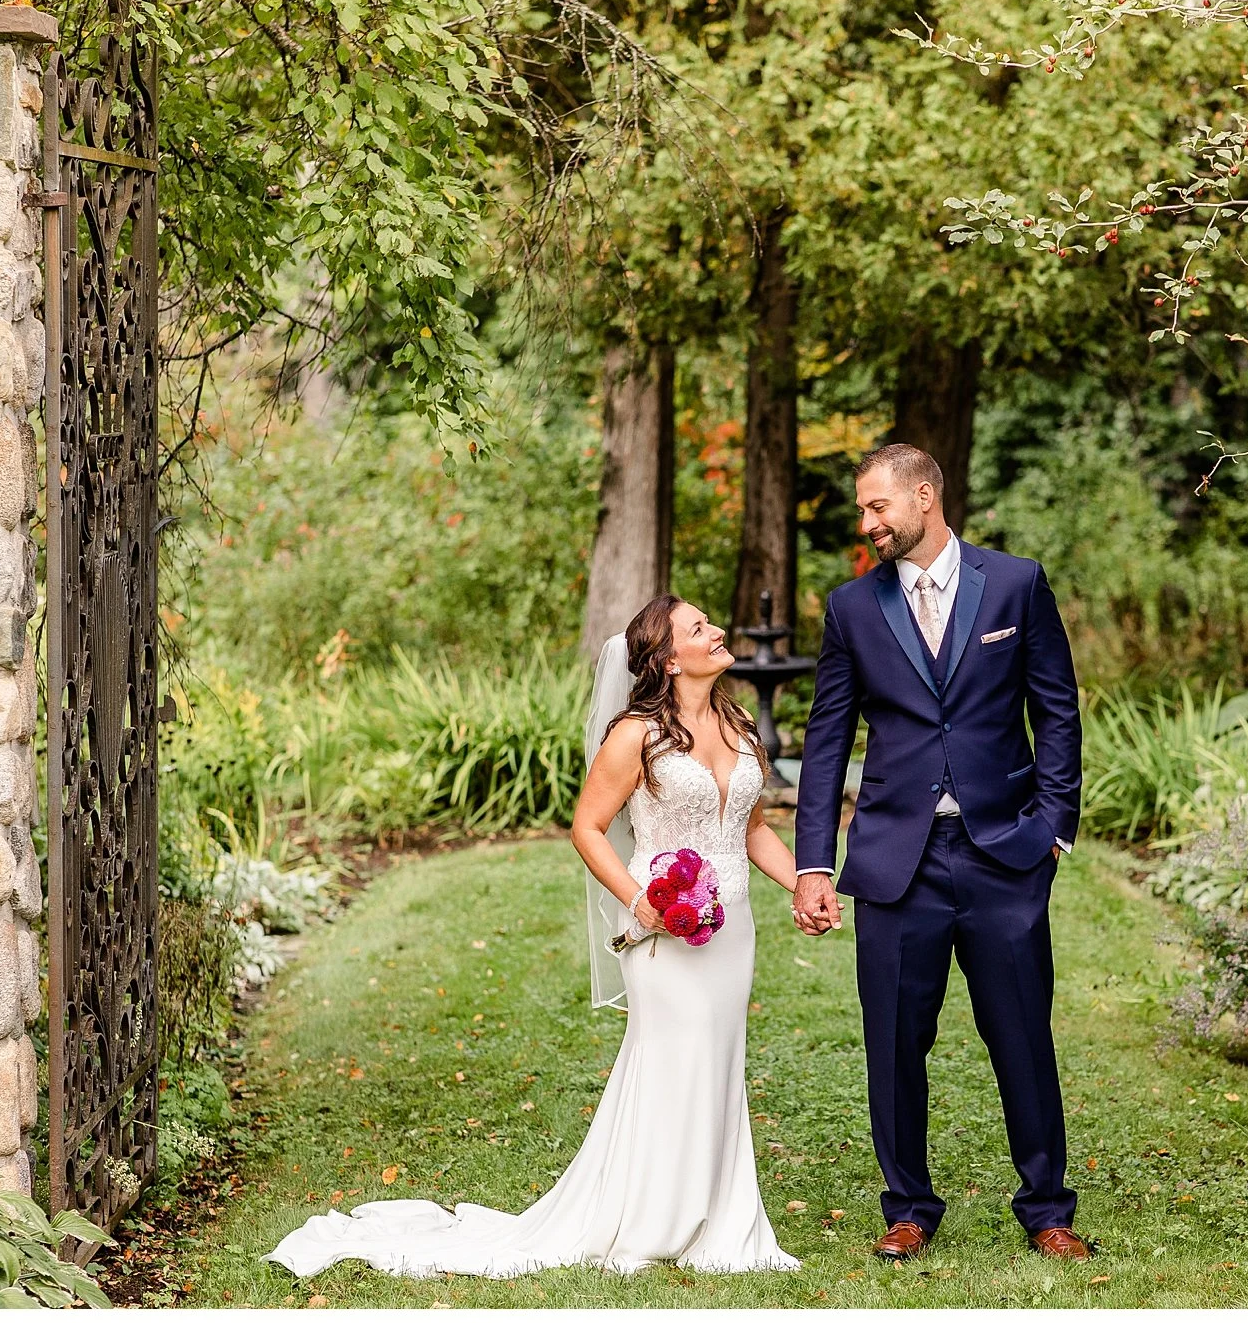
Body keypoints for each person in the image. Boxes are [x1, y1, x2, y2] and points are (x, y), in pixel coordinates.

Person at [265, 595, 802, 1280]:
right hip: (662, 931)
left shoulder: (737, 723)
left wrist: (802, 884)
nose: (717, 631)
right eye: (699, 629)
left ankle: (718, 1215)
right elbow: (587, 827)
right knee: (676, 1056)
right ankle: (652, 1219)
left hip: (732, 927)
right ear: (669, 660)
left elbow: (751, 829)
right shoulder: (636, 736)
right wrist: (641, 901)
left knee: (717, 1059)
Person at [790, 442, 1090, 1262]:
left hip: (1004, 854)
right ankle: (908, 1208)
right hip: (897, 861)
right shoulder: (853, 608)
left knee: (1021, 1034)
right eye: (863, 508)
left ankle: (1047, 1208)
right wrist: (812, 862)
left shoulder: (1017, 584)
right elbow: (826, 740)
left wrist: (1053, 825)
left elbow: (1056, 709)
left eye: (877, 505)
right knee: (894, 1042)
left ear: (924, 495)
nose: (868, 522)